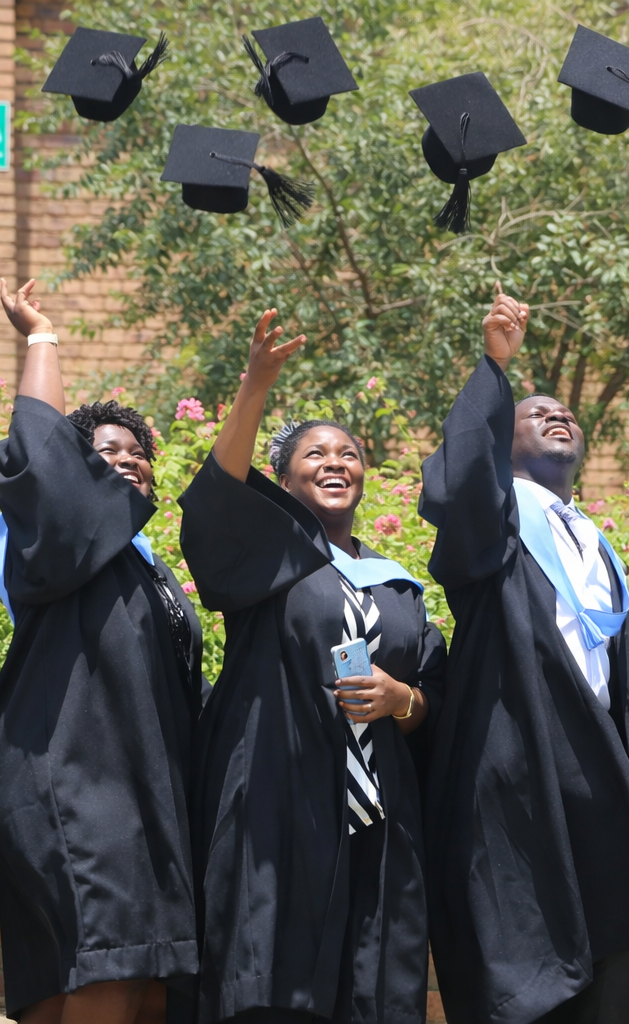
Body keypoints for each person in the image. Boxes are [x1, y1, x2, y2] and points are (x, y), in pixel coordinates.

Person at [417, 288, 629, 1024]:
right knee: (531, 960)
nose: (557, 413)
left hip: (600, 763)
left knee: (625, 938)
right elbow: (460, 480)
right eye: (534, 413)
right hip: (518, 762)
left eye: (565, 412)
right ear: (501, 441)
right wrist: (494, 371)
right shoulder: (496, 520)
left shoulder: (594, 542)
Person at [178, 310, 447, 1024]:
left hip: (380, 816)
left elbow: (434, 696)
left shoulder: (397, 588)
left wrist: (401, 701)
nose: (336, 462)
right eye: (316, 454)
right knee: (274, 983)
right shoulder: (266, 561)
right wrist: (255, 386)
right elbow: (215, 503)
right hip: (279, 801)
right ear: (284, 477)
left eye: (350, 453)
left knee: (376, 989)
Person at [0, 279, 205, 1024]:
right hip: (79, 784)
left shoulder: (145, 567)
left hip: (144, 794)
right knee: (110, 961)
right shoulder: (57, 537)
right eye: (105, 450)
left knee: (142, 982)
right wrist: (41, 338)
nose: (128, 458)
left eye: (139, 452)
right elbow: (41, 451)